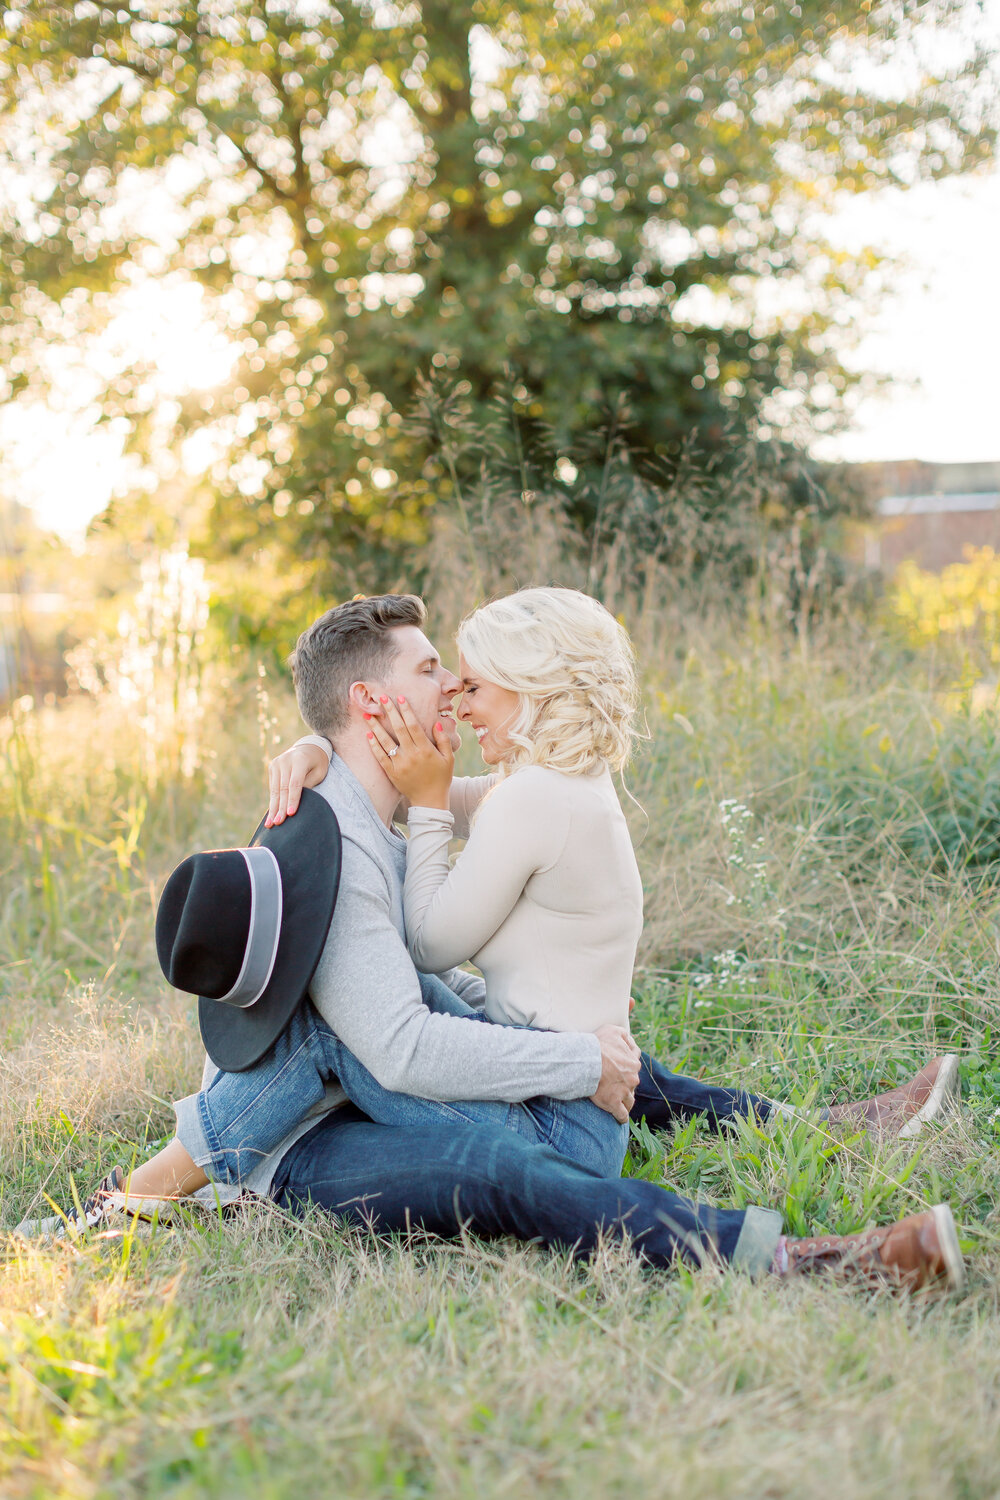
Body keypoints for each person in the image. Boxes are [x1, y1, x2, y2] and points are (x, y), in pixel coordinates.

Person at [15, 594, 964, 1292]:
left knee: (495, 1016)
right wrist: (577, 1061)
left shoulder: (374, 802)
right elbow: (400, 1046)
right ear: (371, 703)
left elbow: (488, 828)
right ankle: (815, 1262)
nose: (456, 686)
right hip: (304, 1152)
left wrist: (318, 747)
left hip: (359, 1101)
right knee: (496, 1156)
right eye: (431, 670)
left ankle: (153, 1186)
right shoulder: (341, 851)